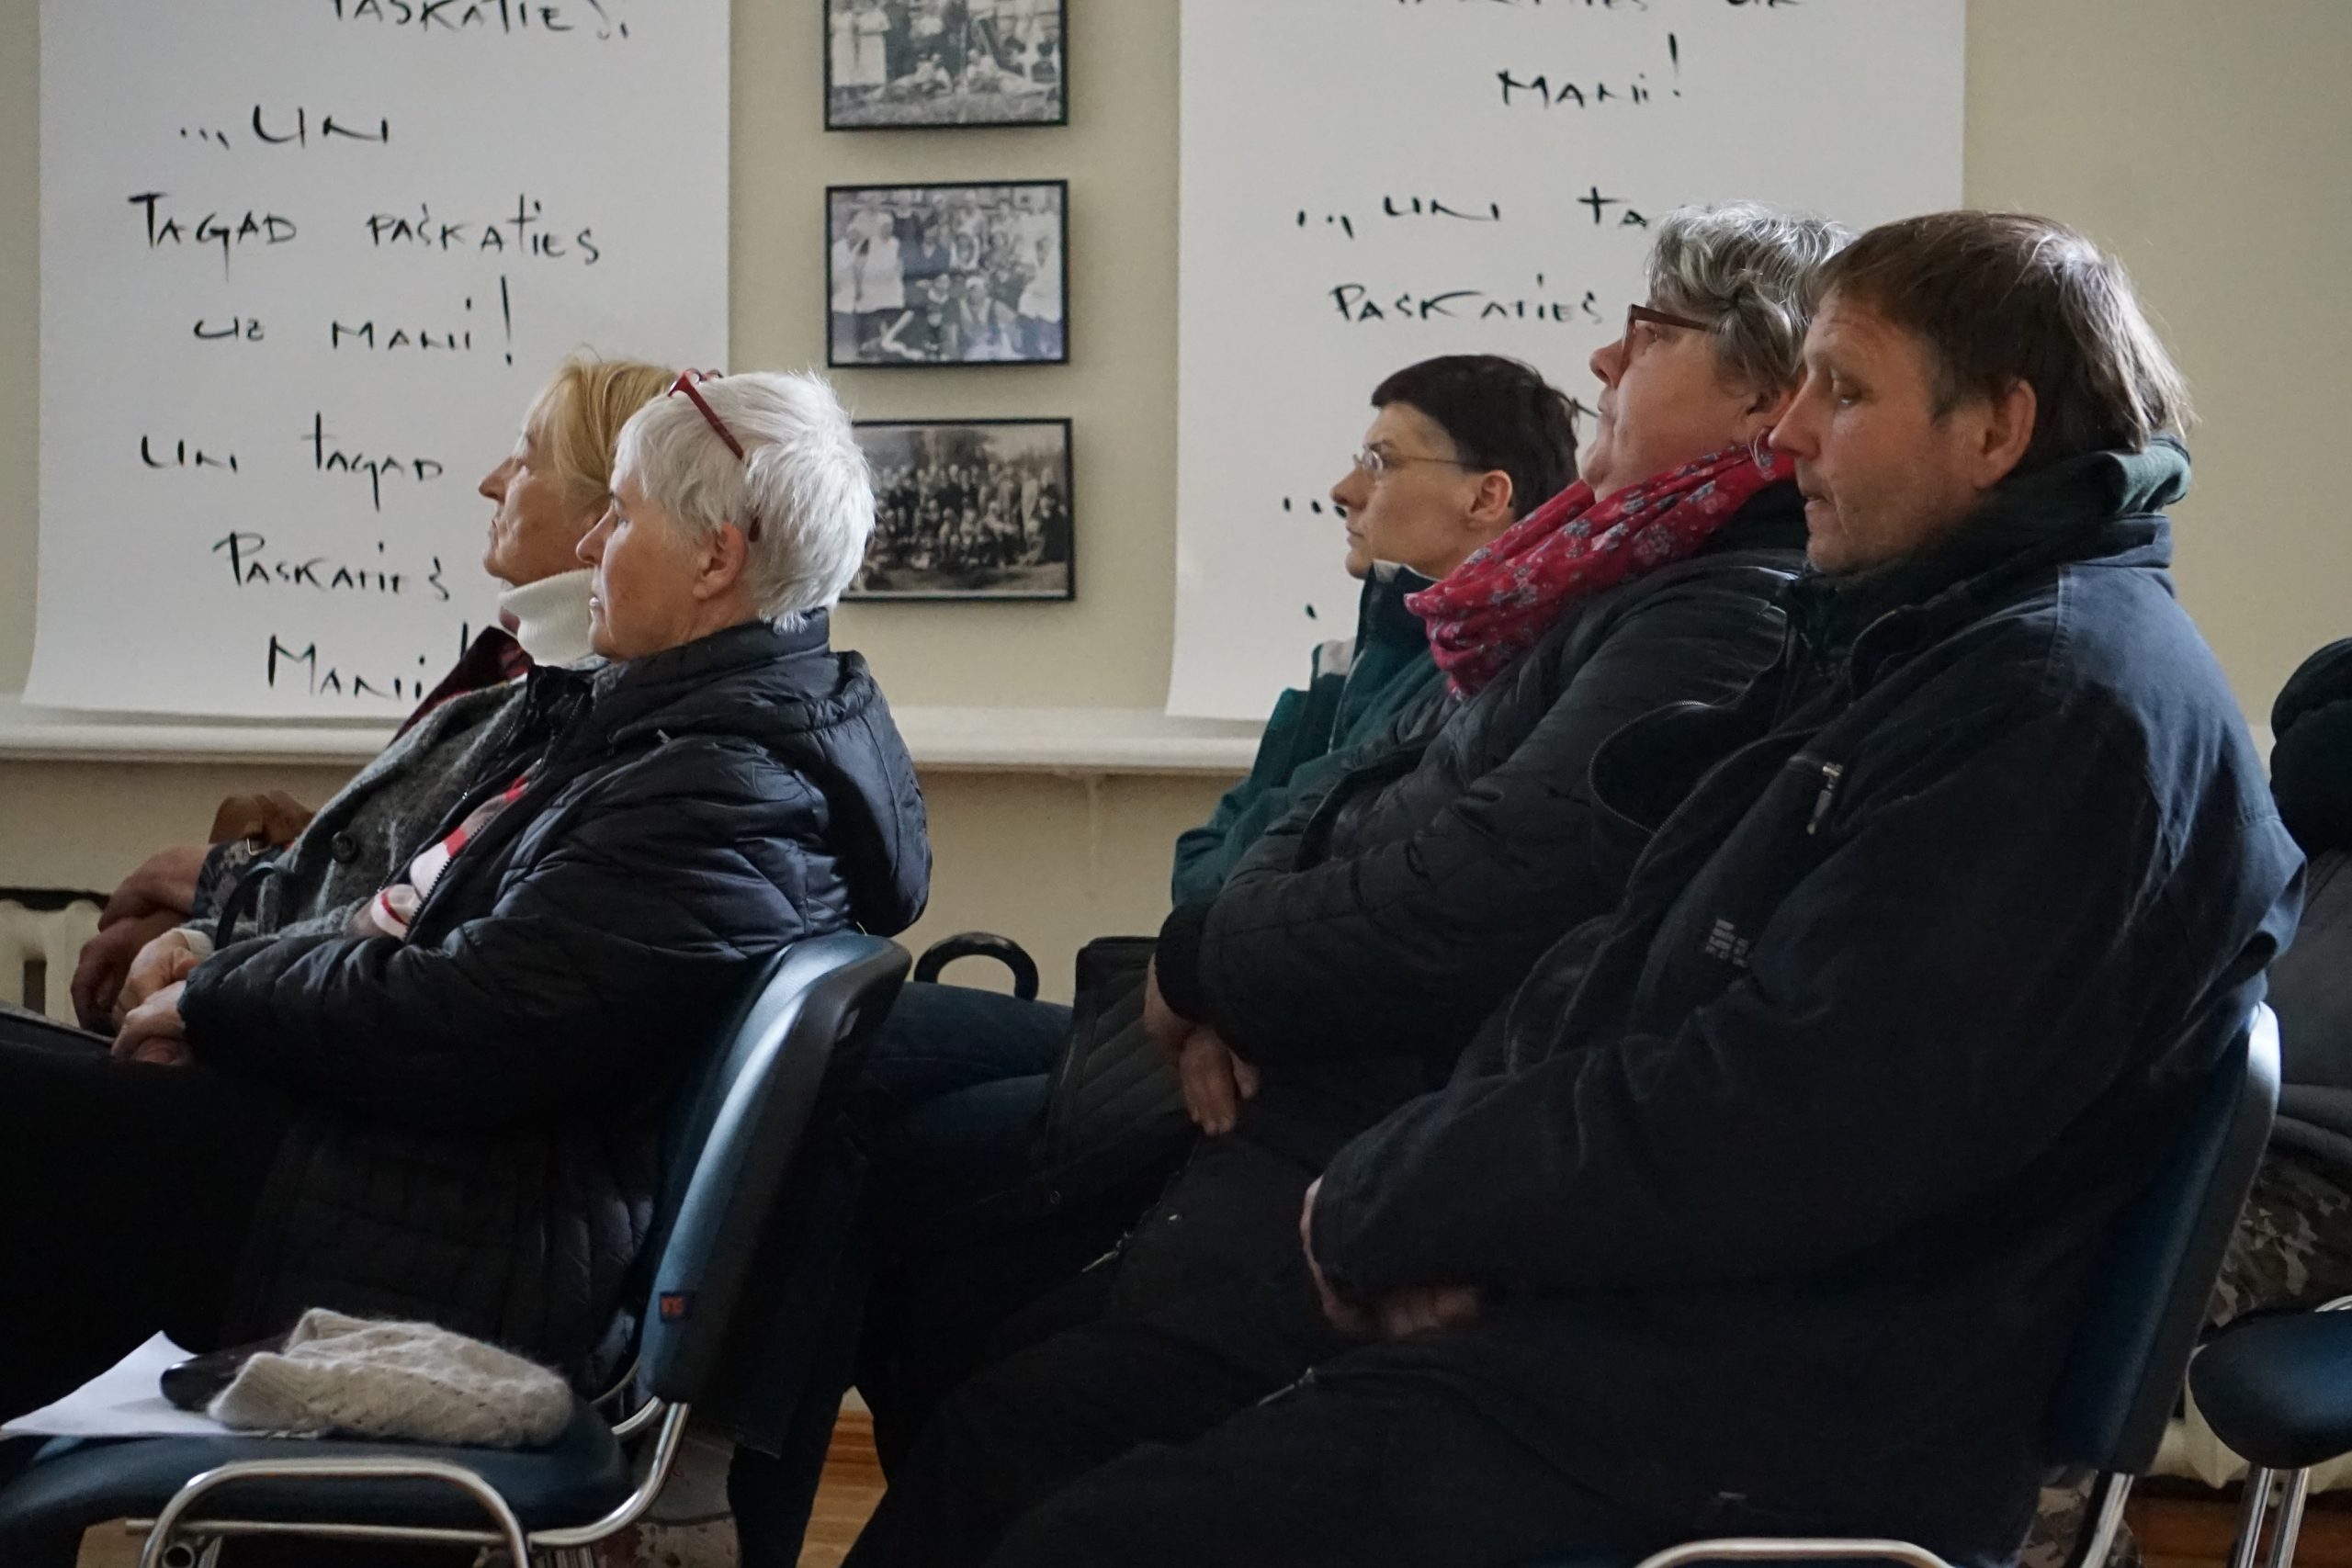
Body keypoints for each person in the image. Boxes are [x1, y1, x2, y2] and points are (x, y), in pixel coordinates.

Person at [896, 210, 2301, 1568]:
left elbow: (1784, 1118)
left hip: (1771, 1402)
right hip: (1688, 1332)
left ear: (1997, 426)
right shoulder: (1947, 649)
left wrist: (1409, 1195)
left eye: (1845, 391)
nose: (1792, 433)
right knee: (1031, 1429)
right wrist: (1442, 1190)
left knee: (1084, 1523)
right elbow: (1620, 977)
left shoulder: (2048, 706)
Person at [845, 203, 1850, 1567]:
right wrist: (1212, 958)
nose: (1606, 360)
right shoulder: (1602, 587)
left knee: (1011, 1430)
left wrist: (1209, 964)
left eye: (1652, 332)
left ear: (1764, 390)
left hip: (1376, 1154)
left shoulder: (1717, 613)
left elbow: (1469, 897)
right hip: (1322, 1107)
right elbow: (1326, 803)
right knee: (971, 1338)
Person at [0, 368, 929, 1504]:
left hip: (464, 1239)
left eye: (620, 514)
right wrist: (228, 975)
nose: (589, 542)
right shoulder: (674, 733)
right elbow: (427, 944)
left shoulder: (722, 785)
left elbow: (464, 1018)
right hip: (427, 1172)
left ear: (714, 560)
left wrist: (218, 996)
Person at [726, 352, 1579, 1567]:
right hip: (1199, 1000)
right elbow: (1219, 856)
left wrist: (1230, 958)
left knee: (879, 1126)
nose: (1346, 486)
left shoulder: (1472, 667)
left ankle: (730, 1486)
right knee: (864, 1081)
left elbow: (1300, 878)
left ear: (1489, 497)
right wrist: (1227, 948)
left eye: (1381, 459)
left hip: (1261, 1059)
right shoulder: (1370, 647)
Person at [58, 355, 677, 1036]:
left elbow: (392, 912)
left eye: (525, 461)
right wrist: (200, 930)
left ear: (605, 511)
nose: (490, 483)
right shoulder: (520, 689)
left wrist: (206, 942)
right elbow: (369, 886)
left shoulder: (575, 726)